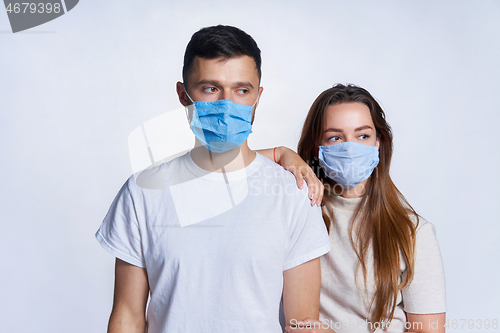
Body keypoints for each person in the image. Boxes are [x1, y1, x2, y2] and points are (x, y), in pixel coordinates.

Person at [95, 25, 331, 333]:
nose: (226, 104)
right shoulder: (142, 193)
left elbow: (302, 324)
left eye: (241, 90)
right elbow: (127, 315)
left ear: (257, 97)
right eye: (210, 88)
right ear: (183, 94)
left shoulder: (293, 194)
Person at [277, 84, 446, 333]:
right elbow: (224, 167)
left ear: (378, 142)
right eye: (335, 137)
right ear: (316, 147)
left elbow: (428, 331)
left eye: (362, 136)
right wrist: (281, 154)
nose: (349, 147)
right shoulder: (296, 211)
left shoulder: (412, 231)